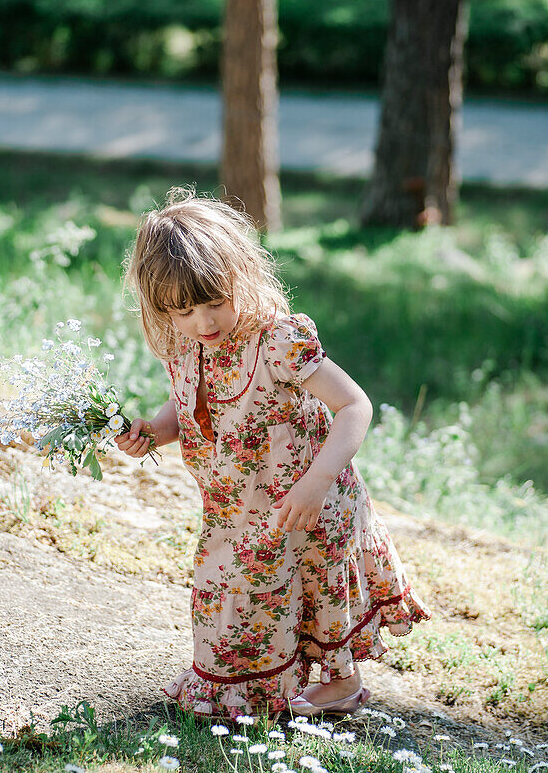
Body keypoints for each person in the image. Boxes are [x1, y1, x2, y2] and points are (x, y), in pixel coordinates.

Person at [117, 192, 430, 719]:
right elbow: (188, 406)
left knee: (312, 589)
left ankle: (341, 683)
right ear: (162, 308)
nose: (203, 320)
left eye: (215, 300)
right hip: (237, 507)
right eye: (184, 310)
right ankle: (244, 682)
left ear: (240, 274)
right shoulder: (186, 344)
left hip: (308, 499)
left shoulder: (278, 340)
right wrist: (152, 431)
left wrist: (316, 482)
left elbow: (355, 405)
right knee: (233, 595)